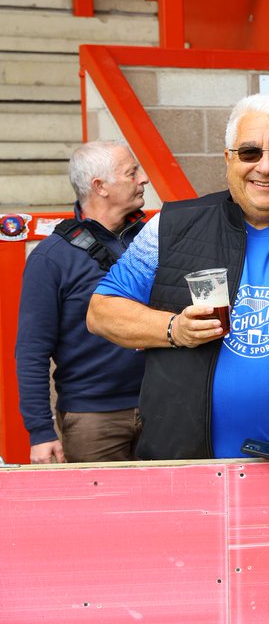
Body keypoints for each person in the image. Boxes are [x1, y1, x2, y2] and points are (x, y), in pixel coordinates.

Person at [87, 94, 269, 477]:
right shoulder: (170, 227)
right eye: (249, 153)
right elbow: (101, 312)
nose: (265, 166)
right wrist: (175, 330)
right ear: (228, 159)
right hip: (180, 466)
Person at [16, 142, 148, 463]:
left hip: (162, 409)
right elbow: (32, 351)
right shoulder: (51, 258)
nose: (143, 179)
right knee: (102, 512)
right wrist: (40, 431)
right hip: (92, 419)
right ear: (99, 186)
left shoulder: (153, 241)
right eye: (131, 173)